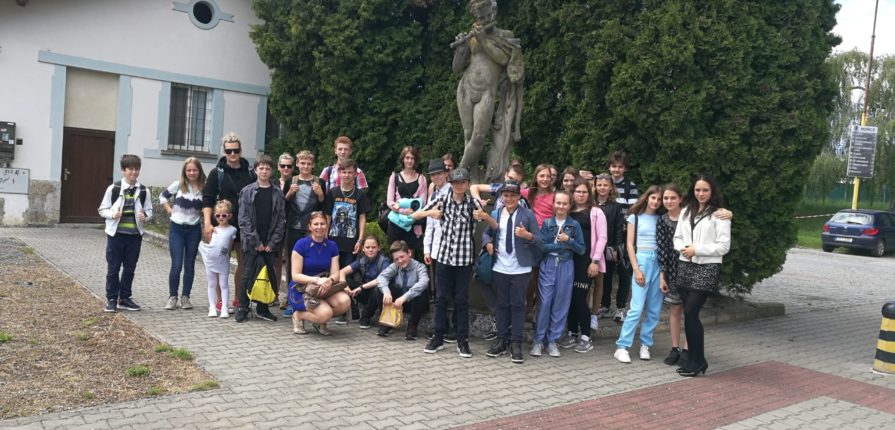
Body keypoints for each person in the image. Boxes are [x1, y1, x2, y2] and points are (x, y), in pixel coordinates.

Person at [414, 167, 482, 358]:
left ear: (467, 184)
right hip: (443, 257)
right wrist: (431, 213)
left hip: (464, 259)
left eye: (463, 182)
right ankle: (438, 337)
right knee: (441, 298)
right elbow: (415, 215)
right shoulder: (442, 199)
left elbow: (489, 220)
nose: (459, 185)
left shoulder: (473, 203)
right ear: (450, 183)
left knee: (462, 300)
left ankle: (462, 340)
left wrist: (482, 215)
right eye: (455, 182)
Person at [452, 0, 524, 182]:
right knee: (468, 135)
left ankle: (458, 173)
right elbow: (457, 68)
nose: (484, 20)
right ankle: (472, 179)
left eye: (486, 16)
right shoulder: (472, 37)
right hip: (466, 87)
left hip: (487, 92)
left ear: (494, 13)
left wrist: (484, 39)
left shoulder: (505, 35)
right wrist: (460, 49)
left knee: (478, 137)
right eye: (480, 17)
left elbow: (503, 59)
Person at [672, 175, 731, 377]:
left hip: (707, 267)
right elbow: (677, 237)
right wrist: (684, 249)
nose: (701, 193)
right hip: (685, 265)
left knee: (690, 311)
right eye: (698, 190)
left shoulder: (720, 215)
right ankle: (695, 361)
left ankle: (697, 361)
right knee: (689, 315)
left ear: (712, 191)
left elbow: (723, 246)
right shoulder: (686, 211)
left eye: (705, 190)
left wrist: (697, 250)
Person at [481, 180, 541, 364]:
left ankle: (516, 342)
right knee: (502, 304)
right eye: (505, 195)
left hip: (520, 268)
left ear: (519, 196)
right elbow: (486, 233)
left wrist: (527, 235)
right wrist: (487, 243)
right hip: (500, 266)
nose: (509, 199)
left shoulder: (527, 214)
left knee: (518, 305)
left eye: (512, 196)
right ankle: (501, 340)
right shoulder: (497, 213)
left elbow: (539, 239)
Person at [202, 132, 255, 313]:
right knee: (218, 263)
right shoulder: (217, 173)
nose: (232, 154)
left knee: (243, 263)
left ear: (241, 150)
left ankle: (238, 299)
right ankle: (219, 300)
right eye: (229, 151)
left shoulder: (250, 172)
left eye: (236, 150)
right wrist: (207, 223)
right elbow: (207, 199)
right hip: (221, 225)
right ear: (224, 151)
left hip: (243, 225)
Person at [531, 191, 585, 358]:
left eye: (564, 203)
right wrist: (562, 246)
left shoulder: (574, 225)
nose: (561, 206)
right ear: (554, 204)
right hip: (548, 265)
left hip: (566, 265)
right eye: (558, 203)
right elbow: (542, 246)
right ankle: (538, 340)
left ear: (569, 206)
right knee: (545, 302)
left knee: (561, 304)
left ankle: (552, 341)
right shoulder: (547, 223)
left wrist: (569, 240)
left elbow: (581, 249)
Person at [613, 186, 664, 363]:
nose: (656, 202)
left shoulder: (662, 218)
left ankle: (645, 344)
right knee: (636, 308)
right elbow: (629, 245)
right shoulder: (634, 217)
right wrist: (636, 269)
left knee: (654, 309)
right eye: (653, 198)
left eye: (659, 199)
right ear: (647, 198)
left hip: (658, 262)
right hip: (641, 261)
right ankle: (622, 346)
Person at [98, 154, 153, 312]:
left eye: (137, 169)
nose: (134, 172)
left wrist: (145, 216)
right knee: (113, 268)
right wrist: (113, 215)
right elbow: (102, 209)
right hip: (116, 235)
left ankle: (124, 298)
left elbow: (149, 211)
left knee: (130, 268)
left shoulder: (144, 191)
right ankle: (112, 299)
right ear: (123, 170)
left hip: (134, 236)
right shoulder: (114, 189)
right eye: (130, 169)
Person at [235, 155, 286, 323]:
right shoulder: (247, 191)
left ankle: (262, 309)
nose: (264, 171)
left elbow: (281, 219)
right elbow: (243, 219)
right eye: (261, 168)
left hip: (269, 243)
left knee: (267, 275)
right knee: (247, 274)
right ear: (255, 170)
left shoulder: (277, 192)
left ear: (272, 171)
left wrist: (272, 243)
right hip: (252, 243)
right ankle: (243, 307)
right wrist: (256, 242)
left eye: (267, 168)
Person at [558, 179, 607, 353]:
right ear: (572, 193)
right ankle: (572, 333)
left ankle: (585, 336)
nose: (581, 195)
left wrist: (595, 261)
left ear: (589, 194)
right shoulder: (568, 211)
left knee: (580, 298)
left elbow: (602, 238)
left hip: (586, 261)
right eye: (578, 191)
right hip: (568, 260)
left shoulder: (596, 212)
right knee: (570, 298)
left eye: (584, 192)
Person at [290, 211, 351, 336]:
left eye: (322, 224)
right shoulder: (301, 244)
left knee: (344, 302)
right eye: (316, 224)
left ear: (327, 225)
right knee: (325, 314)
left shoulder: (332, 246)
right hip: (302, 289)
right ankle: (298, 315)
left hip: (324, 287)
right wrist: (317, 281)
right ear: (309, 226)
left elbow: (335, 274)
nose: (319, 227)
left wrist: (329, 281)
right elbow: (295, 276)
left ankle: (319, 320)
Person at [160, 157, 206, 310]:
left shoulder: (204, 188)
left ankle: (185, 297)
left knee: (189, 264)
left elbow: (209, 205)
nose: (192, 173)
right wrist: (170, 210)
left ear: (199, 171)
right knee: (177, 264)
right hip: (177, 229)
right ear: (184, 171)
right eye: (189, 170)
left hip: (193, 230)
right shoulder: (178, 185)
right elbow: (162, 197)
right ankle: (172, 297)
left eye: (194, 170)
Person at [282, 150, 325, 312]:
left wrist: (320, 195)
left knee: (310, 264)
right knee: (292, 265)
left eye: (308, 163)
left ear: (313, 165)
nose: (305, 166)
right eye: (302, 163)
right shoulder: (291, 181)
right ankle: (292, 300)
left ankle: (311, 297)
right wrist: (289, 193)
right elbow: (283, 203)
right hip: (293, 227)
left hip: (311, 230)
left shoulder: (319, 182)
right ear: (297, 164)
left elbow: (324, 205)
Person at [422, 158, 458, 343]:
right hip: (437, 249)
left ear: (446, 174)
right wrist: (427, 249)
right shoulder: (433, 196)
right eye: (433, 175)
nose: (436, 177)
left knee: (453, 290)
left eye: (438, 174)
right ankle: (440, 326)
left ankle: (453, 327)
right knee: (439, 291)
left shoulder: (454, 192)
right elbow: (429, 224)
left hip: (453, 249)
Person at [373, 240, 430, 339]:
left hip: (414, 303)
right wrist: (386, 292)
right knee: (379, 289)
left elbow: (424, 282)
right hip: (398, 302)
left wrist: (405, 297)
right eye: (396, 259)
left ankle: (412, 326)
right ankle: (387, 323)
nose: (400, 261)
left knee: (421, 293)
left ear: (409, 253)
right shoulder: (395, 266)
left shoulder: (420, 267)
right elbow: (381, 278)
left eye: (402, 257)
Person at [521, 164, 555, 321]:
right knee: (530, 277)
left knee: (542, 277)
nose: (545, 179)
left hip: (546, 240)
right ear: (536, 177)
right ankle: (527, 307)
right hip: (530, 239)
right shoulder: (528, 193)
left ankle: (539, 313)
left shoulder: (554, 196)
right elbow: (506, 190)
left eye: (548, 176)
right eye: (542, 176)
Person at [323, 159, 371, 269]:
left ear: (355, 174)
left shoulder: (360, 194)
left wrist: (360, 240)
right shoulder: (333, 192)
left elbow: (362, 218)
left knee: (347, 274)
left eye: (350, 172)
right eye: (344, 172)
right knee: (331, 271)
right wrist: (325, 236)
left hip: (351, 243)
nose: (346, 175)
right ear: (340, 173)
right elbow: (328, 216)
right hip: (333, 241)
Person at [340, 235, 391, 329]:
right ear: (363, 248)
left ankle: (366, 316)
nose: (370, 250)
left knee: (378, 289)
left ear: (378, 248)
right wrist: (345, 286)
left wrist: (361, 287)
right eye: (367, 247)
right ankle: (354, 313)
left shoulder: (385, 261)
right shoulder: (361, 260)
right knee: (344, 282)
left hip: (379, 294)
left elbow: (381, 280)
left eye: (373, 247)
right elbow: (341, 272)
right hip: (365, 292)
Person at [199, 200, 238, 318]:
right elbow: (211, 243)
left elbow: (230, 246)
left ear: (229, 216)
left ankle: (224, 308)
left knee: (223, 284)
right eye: (218, 215)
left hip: (223, 261)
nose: (221, 218)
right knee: (212, 284)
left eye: (224, 215)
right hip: (211, 260)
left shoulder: (232, 230)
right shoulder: (213, 229)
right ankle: (212, 307)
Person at [386, 146, 428, 254]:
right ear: (403, 159)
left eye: (412, 158)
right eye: (407, 158)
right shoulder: (394, 177)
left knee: (410, 256)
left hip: (412, 223)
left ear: (415, 160)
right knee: (396, 256)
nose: (409, 161)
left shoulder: (422, 179)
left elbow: (422, 202)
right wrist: (403, 211)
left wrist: (412, 212)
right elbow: (390, 201)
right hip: (396, 221)